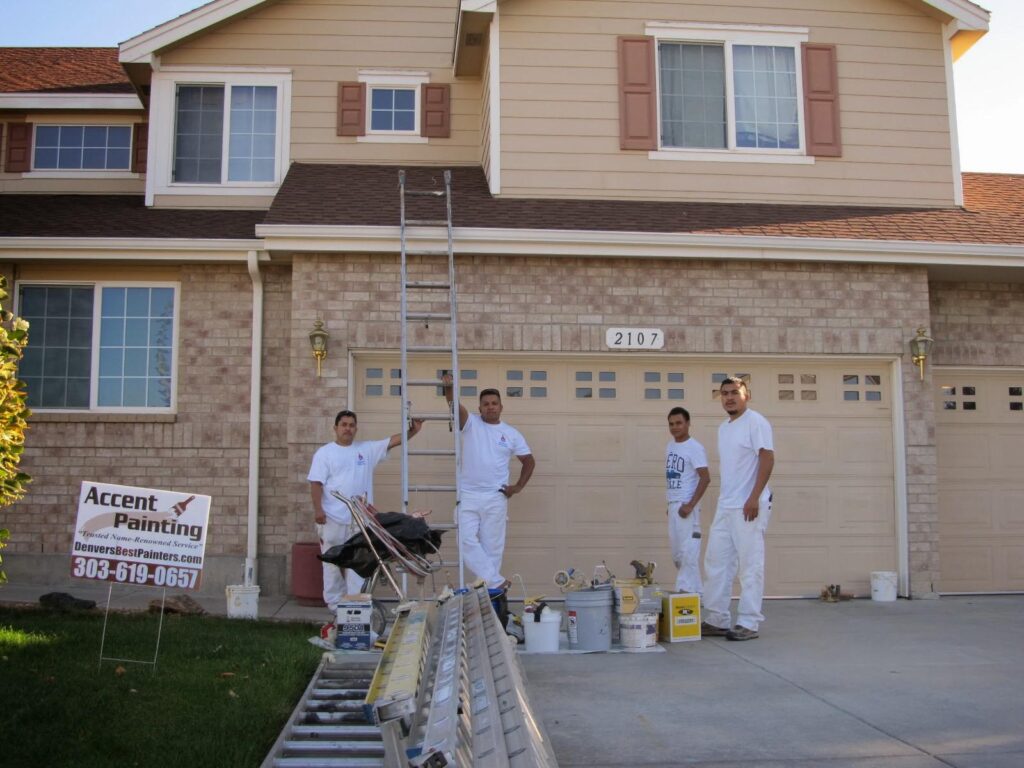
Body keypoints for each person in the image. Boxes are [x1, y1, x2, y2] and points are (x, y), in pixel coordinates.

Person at [308, 409, 423, 616]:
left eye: (351, 425)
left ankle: (354, 606)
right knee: (332, 563)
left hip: (359, 521)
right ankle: (335, 606)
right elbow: (316, 483)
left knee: (358, 563)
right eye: (344, 425)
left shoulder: (366, 450)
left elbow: (391, 442)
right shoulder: (325, 453)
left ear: (356, 429)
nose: (348, 429)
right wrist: (318, 510)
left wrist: (412, 431)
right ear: (335, 428)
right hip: (332, 519)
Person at [442, 373, 535, 595]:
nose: (490, 407)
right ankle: (495, 581)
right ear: (480, 407)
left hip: (496, 497)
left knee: (493, 550)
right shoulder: (471, 423)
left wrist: (517, 487)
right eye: (486, 404)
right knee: (465, 540)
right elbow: (455, 407)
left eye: (494, 403)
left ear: (501, 407)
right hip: (468, 496)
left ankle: (489, 597)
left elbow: (529, 461)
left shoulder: (511, 433)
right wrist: (449, 389)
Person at [702, 376, 775, 641]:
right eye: (724, 393)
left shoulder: (755, 422)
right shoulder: (724, 427)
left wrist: (754, 497)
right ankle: (717, 618)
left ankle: (749, 622)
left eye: (734, 392)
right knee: (716, 561)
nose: (729, 397)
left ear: (747, 395)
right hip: (727, 505)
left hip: (748, 505)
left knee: (750, 564)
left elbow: (767, 458)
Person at [665, 406, 711, 595]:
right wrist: (670, 503)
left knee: (688, 553)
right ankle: (696, 595)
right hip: (674, 505)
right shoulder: (670, 446)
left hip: (687, 507)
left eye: (679, 423)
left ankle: (685, 593)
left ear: (688, 423)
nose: (675, 427)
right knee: (678, 555)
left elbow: (705, 477)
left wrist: (690, 505)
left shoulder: (695, 448)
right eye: (671, 424)